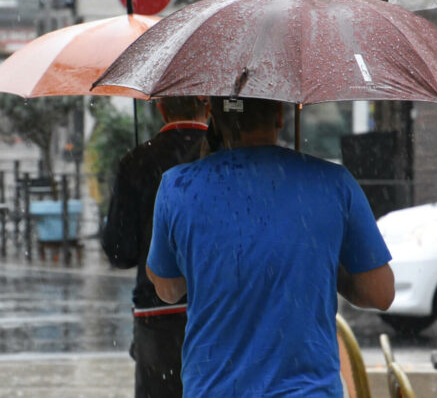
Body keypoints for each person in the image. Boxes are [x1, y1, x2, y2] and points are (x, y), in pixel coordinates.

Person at [146, 97, 395, 397]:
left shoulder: (177, 187)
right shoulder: (334, 183)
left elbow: (167, 289)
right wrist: (320, 260)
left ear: (212, 115)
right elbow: (380, 293)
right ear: (280, 115)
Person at [101, 97, 210, 398]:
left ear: (160, 107)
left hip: (156, 315)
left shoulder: (137, 162)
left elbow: (119, 252)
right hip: (218, 310)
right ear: (209, 106)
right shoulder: (224, 157)